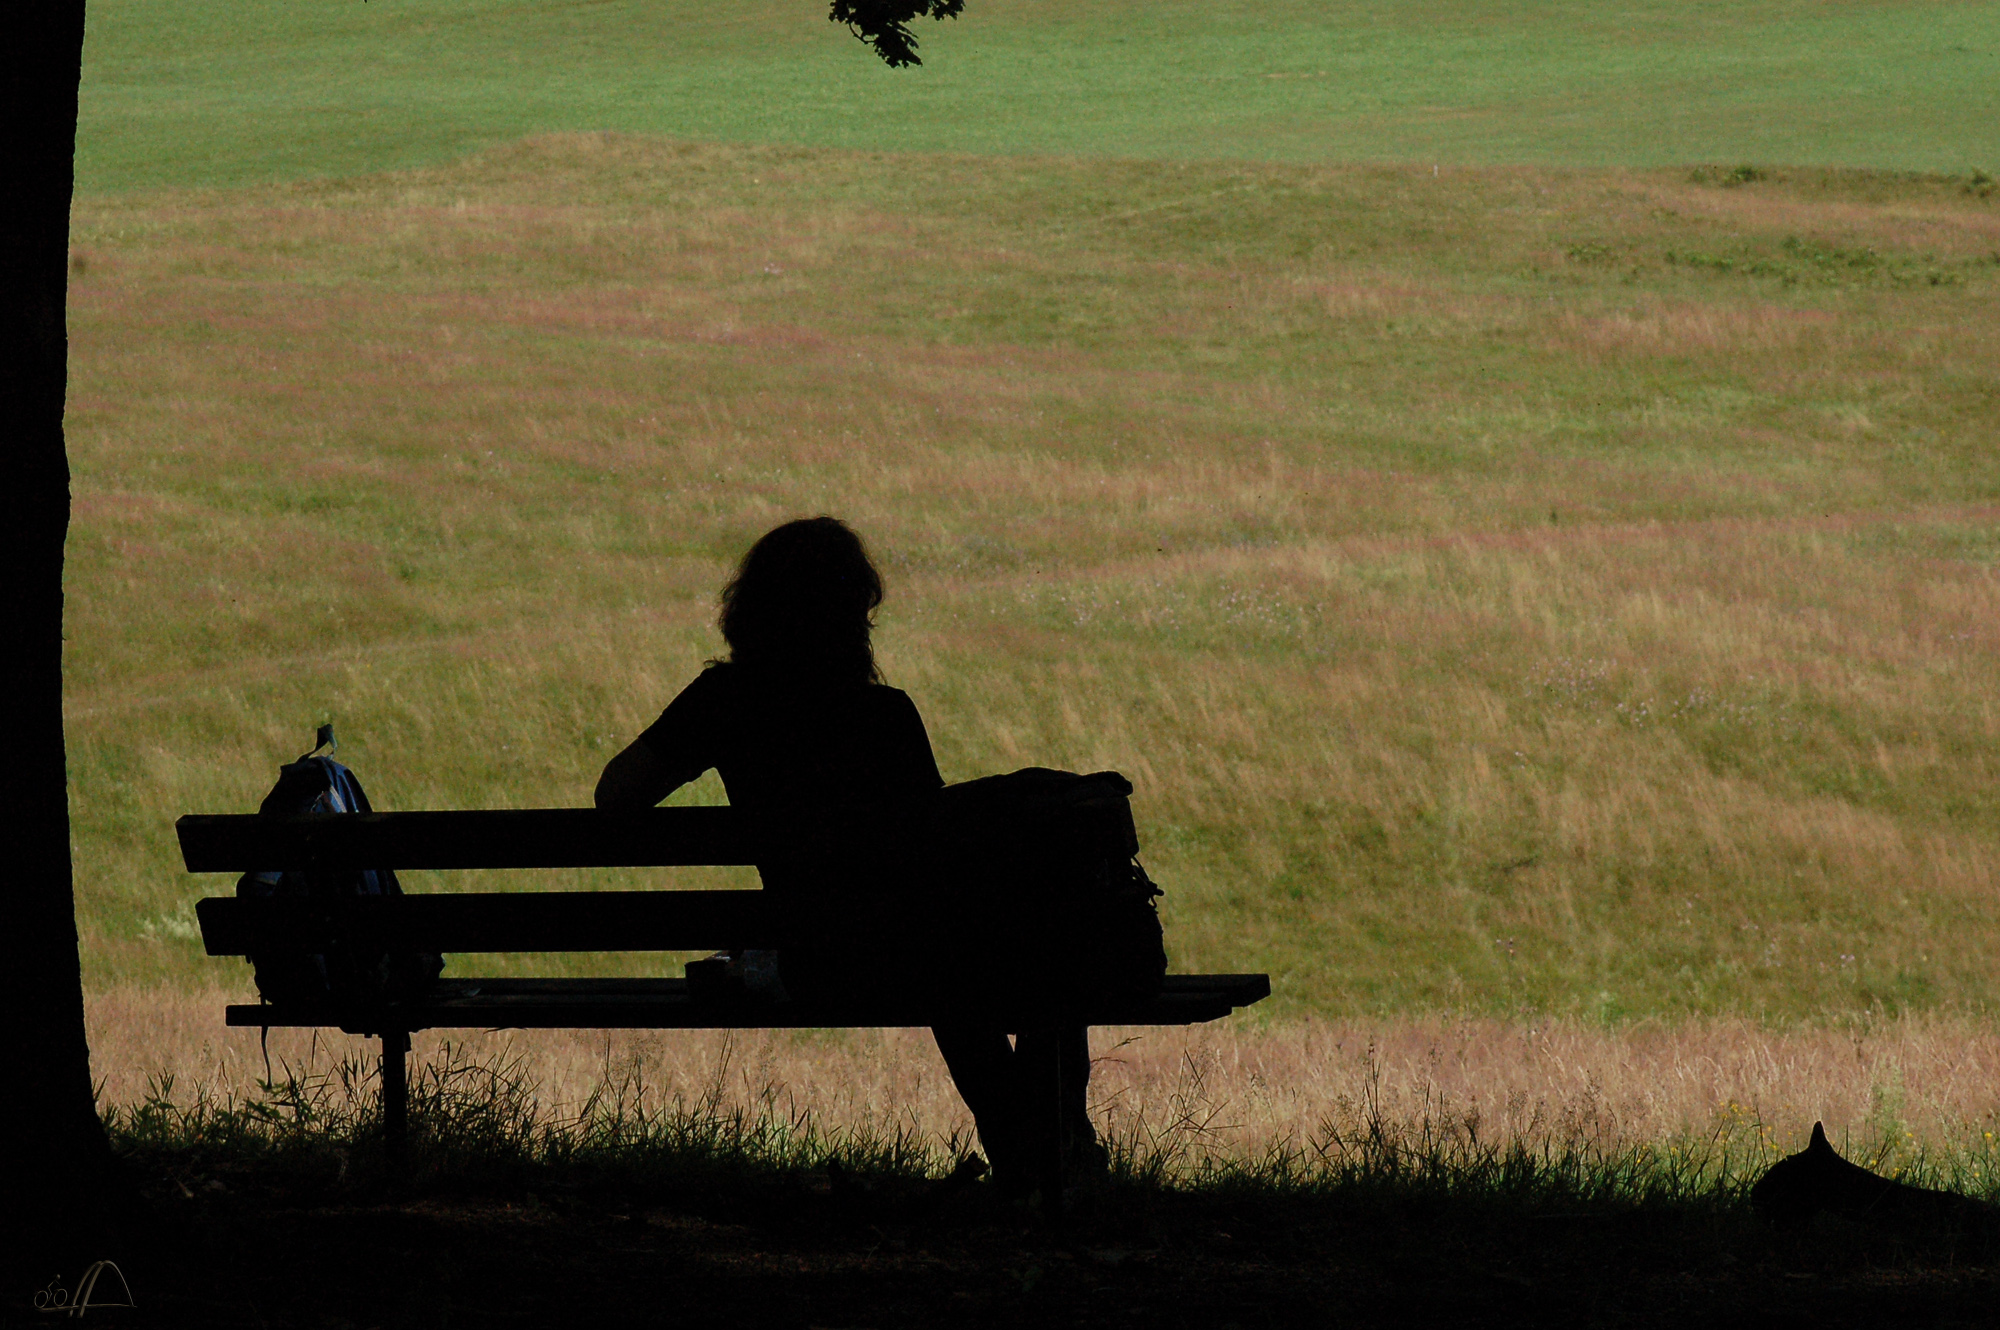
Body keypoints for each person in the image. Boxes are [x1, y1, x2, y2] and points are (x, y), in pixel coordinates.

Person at [595, 515, 1100, 1194]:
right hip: (913, 956)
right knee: (1033, 963)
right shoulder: (886, 715)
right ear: (852, 615)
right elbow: (931, 848)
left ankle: (1035, 1160)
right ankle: (1048, 1158)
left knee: (956, 965)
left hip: (816, 962)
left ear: (751, 609)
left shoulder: (722, 703)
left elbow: (617, 795)